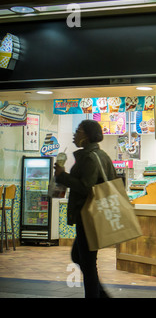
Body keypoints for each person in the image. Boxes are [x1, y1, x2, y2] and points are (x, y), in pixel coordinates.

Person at [54, 119, 117, 298]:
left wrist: (62, 176)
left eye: (79, 130)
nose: (75, 133)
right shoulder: (101, 155)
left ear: (87, 136)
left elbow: (87, 187)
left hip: (89, 215)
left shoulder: (90, 157)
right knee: (79, 256)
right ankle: (101, 295)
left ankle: (96, 295)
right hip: (93, 214)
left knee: (88, 263)